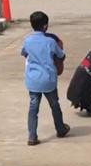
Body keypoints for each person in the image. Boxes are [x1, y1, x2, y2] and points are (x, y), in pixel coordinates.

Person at [23, 11, 70, 146]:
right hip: (48, 79)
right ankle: (60, 129)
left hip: (32, 80)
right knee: (54, 105)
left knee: (33, 107)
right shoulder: (50, 41)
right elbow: (61, 55)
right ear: (45, 26)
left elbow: (24, 53)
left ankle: (32, 136)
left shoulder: (27, 40)